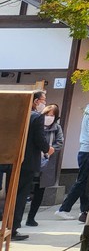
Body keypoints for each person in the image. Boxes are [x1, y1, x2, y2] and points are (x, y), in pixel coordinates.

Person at [12, 90, 52, 241]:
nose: (44, 103)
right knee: (21, 195)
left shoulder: (17, 114)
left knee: (11, 193)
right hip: (27, 162)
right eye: (43, 100)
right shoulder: (36, 117)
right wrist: (48, 149)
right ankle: (13, 227)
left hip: (10, 159)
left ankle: (7, 225)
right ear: (36, 101)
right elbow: (40, 140)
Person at [56, 100, 89, 222]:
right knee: (82, 181)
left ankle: (84, 211)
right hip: (88, 150)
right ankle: (64, 209)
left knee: (84, 182)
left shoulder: (88, 111)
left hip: (85, 150)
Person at [25, 103, 65, 226]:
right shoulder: (36, 124)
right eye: (47, 114)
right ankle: (17, 218)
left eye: (52, 115)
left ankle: (31, 217)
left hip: (47, 163)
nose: (49, 117)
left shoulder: (57, 128)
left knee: (39, 191)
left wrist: (51, 149)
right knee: (25, 189)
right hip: (32, 161)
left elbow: (60, 142)